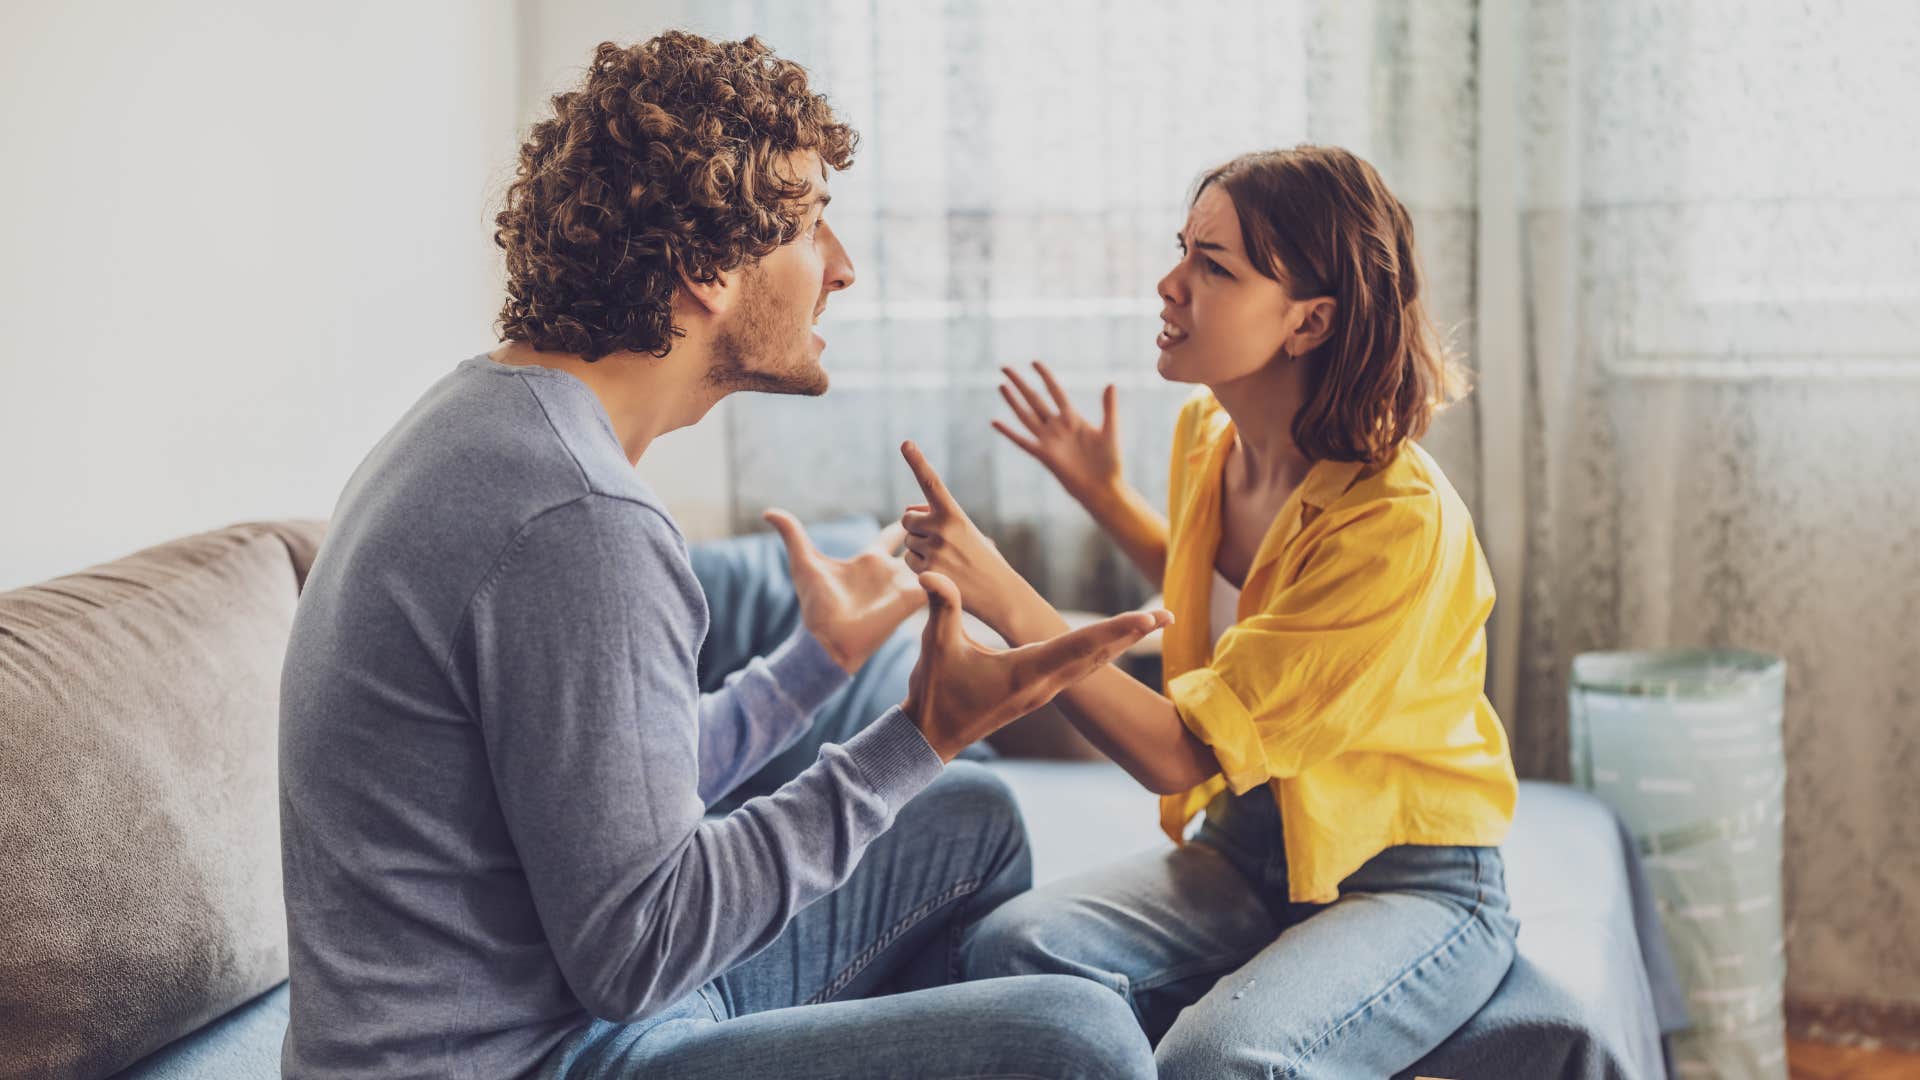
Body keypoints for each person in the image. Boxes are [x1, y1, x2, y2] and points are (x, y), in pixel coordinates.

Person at [278, 32, 1164, 1080]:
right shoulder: (580, 519)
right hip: (536, 1059)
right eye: (811, 224)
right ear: (706, 270)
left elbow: (603, 796)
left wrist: (814, 667)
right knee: (1081, 1039)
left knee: (969, 817)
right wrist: (925, 730)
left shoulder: (486, 419)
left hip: (569, 1014)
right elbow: (640, 949)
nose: (842, 266)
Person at [897, 145, 1522, 1078]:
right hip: (1246, 846)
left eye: (1214, 266)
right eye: (1182, 250)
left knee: (1219, 1060)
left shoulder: (1395, 523)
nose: (1170, 283)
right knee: (1011, 953)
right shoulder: (1210, 437)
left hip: (1406, 877)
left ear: (1309, 321)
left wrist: (1005, 594)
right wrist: (1106, 495)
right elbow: (1244, 609)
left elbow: (1180, 752)